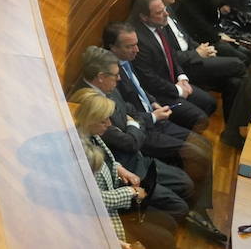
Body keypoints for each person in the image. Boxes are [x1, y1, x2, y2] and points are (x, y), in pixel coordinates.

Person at [132, 0, 251, 144]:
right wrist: (178, 88)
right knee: (237, 65)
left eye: (164, 9)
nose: (166, 14)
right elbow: (149, 79)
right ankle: (190, 143)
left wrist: (181, 77)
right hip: (161, 91)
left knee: (234, 83)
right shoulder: (140, 40)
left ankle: (232, 131)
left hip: (178, 78)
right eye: (159, 12)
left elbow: (172, 57)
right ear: (144, 17)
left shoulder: (158, 26)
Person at [71, 89, 180, 249]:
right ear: (89, 120)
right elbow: (90, 199)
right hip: (105, 216)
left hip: (118, 194)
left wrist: (120, 169)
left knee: (169, 222)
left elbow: (108, 162)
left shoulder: (91, 134)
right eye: (103, 120)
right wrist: (131, 193)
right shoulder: (79, 154)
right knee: (166, 241)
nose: (109, 124)